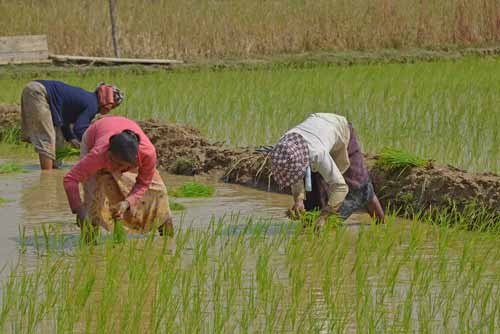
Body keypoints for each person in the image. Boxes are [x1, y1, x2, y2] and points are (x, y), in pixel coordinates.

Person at [63, 116, 173, 236]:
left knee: (158, 193)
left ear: (135, 160)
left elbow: (143, 183)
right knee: (93, 201)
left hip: (124, 137)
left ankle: (168, 243)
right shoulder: (98, 155)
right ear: (109, 154)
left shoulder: (147, 154)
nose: (116, 170)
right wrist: (79, 210)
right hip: (94, 136)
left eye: (121, 166)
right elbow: (70, 179)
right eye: (115, 163)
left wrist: (127, 203)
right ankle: (90, 245)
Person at [270, 113, 385, 227]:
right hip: (317, 135)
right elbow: (294, 175)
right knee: (314, 201)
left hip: (339, 130)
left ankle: (382, 226)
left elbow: (340, 187)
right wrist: (299, 200)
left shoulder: (317, 153)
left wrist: (324, 216)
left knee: (359, 186)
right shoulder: (284, 147)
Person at [20, 80, 124, 170]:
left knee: (58, 140)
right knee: (47, 138)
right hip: (39, 92)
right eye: (113, 107)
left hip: (37, 90)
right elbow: (80, 128)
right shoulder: (92, 104)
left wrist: (71, 138)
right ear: (108, 103)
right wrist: (94, 146)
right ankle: (47, 178)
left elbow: (64, 121)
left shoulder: (88, 99)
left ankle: (54, 168)